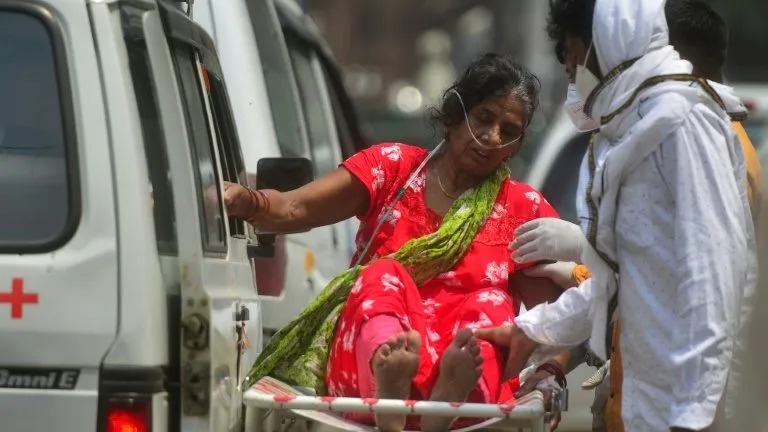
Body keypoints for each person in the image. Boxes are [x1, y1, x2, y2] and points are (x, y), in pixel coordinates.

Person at [223, 53, 565, 432]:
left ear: (515, 145)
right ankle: (391, 389)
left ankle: (448, 398)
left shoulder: (523, 208)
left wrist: (552, 371)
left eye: (508, 130)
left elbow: (567, 315)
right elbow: (294, 208)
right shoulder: (392, 169)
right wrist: (247, 201)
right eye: (483, 118)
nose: (492, 137)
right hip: (369, 369)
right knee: (382, 275)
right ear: (454, 115)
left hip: (471, 398)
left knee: (493, 302)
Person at [474, 0, 757, 431]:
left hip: (687, 412)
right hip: (647, 405)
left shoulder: (683, 122)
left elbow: (714, 277)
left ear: (605, 42)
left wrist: (694, 413)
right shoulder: (635, 129)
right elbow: (623, 284)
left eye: (572, 52)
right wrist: (532, 330)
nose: (569, 68)